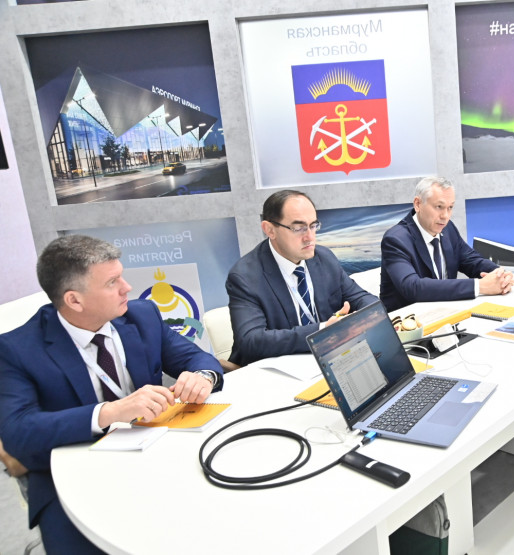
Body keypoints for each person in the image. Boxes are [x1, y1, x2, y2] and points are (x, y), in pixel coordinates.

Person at [0, 235, 224, 553]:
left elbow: (196, 359)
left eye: (121, 276)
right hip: (73, 476)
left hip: (159, 452)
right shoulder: (16, 349)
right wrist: (108, 413)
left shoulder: (142, 315)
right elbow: (19, 433)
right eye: (112, 282)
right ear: (74, 301)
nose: (127, 288)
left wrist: (202, 377)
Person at [226, 190, 377, 366]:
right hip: (276, 369)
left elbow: (364, 299)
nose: (310, 237)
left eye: (313, 226)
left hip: (326, 360)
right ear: (270, 230)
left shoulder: (324, 258)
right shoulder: (245, 277)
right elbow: (251, 341)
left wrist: (358, 318)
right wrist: (322, 331)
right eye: (299, 228)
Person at [379, 176, 514, 312]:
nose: (445, 216)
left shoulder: (447, 229)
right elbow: (413, 287)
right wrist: (480, 286)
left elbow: (472, 261)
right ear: (418, 204)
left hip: (446, 313)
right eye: (439, 207)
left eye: (450, 207)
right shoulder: (396, 240)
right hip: (408, 319)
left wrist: (500, 275)